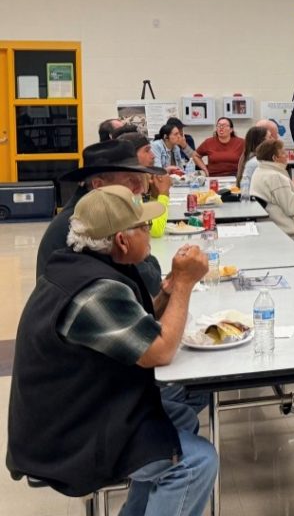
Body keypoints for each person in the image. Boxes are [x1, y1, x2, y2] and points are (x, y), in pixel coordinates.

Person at [8, 185, 218, 513]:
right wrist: (185, 285)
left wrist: (168, 292)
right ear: (121, 240)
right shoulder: (94, 291)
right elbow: (159, 351)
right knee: (197, 462)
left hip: (84, 402)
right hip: (67, 433)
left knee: (179, 418)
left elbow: (138, 322)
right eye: (144, 227)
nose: (150, 234)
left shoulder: (86, 263)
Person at [36, 140, 167, 295]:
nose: (139, 187)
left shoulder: (96, 210)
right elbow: (150, 282)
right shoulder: (88, 223)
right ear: (98, 185)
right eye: (130, 180)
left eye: (140, 178)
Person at [250, 140, 294, 238]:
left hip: (274, 227)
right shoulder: (276, 177)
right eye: (283, 153)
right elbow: (293, 208)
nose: (286, 155)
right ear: (275, 158)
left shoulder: (259, 171)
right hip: (290, 232)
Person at [118, 132, 172, 239]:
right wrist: (164, 194)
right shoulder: (127, 186)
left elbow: (148, 219)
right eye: (147, 150)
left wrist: (154, 196)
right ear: (132, 156)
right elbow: (155, 230)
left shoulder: (136, 179)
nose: (152, 155)